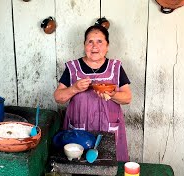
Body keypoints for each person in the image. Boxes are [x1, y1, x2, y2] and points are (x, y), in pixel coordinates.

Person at [53, 25, 132, 162]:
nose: (94, 46)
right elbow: (58, 98)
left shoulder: (116, 67)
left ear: (107, 46)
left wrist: (112, 94)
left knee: (108, 163)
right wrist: (75, 88)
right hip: (79, 130)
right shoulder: (73, 68)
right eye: (90, 41)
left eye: (100, 41)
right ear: (84, 45)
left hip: (109, 128)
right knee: (79, 164)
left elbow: (127, 98)